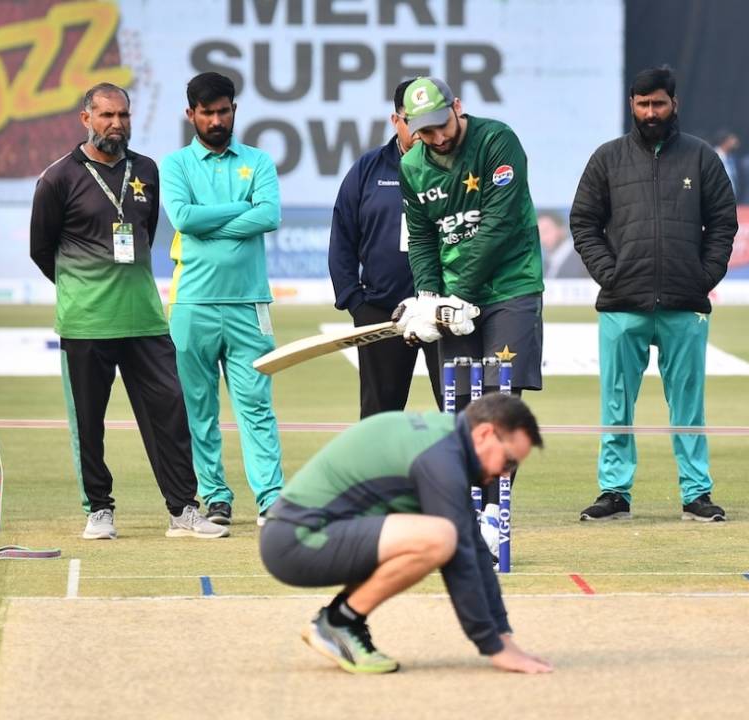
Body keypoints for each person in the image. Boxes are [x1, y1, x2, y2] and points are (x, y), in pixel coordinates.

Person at [29, 82, 227, 540]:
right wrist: (82, 289)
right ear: (86, 119)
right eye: (106, 116)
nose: (116, 124)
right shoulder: (57, 178)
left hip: (144, 319)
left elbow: (146, 230)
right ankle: (99, 509)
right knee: (89, 423)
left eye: (123, 116)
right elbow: (43, 250)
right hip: (86, 323)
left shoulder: (147, 170)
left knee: (171, 414)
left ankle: (182, 510)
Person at [260, 394, 552, 675]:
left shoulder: (445, 441)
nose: (505, 474)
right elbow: (461, 558)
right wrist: (494, 647)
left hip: (304, 534)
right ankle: (339, 622)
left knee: (445, 535)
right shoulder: (441, 458)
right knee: (439, 537)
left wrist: (503, 636)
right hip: (296, 540)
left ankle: (339, 620)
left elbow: (475, 546)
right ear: (485, 434)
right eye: (509, 462)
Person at [569, 65, 737, 522]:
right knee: (616, 402)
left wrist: (703, 276)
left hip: (685, 304)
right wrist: (610, 273)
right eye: (642, 104)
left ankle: (696, 493)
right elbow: (583, 222)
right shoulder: (607, 158)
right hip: (623, 304)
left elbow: (724, 222)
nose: (650, 112)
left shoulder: (702, 158)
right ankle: (615, 493)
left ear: (673, 104)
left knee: (688, 403)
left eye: (658, 103)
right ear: (632, 106)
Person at [398, 75, 546, 538]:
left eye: (443, 124)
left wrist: (458, 293)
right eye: (425, 131)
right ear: (408, 127)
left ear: (457, 107)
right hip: (452, 296)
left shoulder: (497, 141)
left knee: (499, 404)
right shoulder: (413, 166)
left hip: (510, 288)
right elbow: (421, 237)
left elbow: (500, 223)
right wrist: (427, 298)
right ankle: (466, 507)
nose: (438, 137)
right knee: (459, 405)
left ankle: (493, 514)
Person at [160, 72, 283, 528]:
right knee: (199, 407)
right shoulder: (175, 165)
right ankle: (215, 496)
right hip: (192, 304)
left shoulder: (258, 161)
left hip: (250, 304)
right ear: (191, 114)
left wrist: (219, 220)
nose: (217, 119)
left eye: (224, 110)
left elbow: (269, 215)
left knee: (256, 406)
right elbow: (185, 219)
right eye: (207, 112)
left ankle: (271, 498)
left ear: (234, 110)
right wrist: (241, 209)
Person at [328, 80, 443, 418]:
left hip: (443, 309)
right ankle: (376, 473)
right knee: (379, 416)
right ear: (396, 121)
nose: (424, 131)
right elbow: (342, 237)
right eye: (413, 121)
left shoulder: (456, 168)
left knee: (459, 408)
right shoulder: (368, 169)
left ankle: (464, 473)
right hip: (382, 312)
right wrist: (355, 302)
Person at [537, 210, 588, 279]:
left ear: (562, 230)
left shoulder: (583, 259)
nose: (542, 237)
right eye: (539, 233)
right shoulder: (546, 264)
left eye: (546, 231)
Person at [710, 129, 741, 195]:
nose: (736, 141)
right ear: (724, 141)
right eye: (732, 138)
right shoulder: (712, 156)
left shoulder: (732, 158)